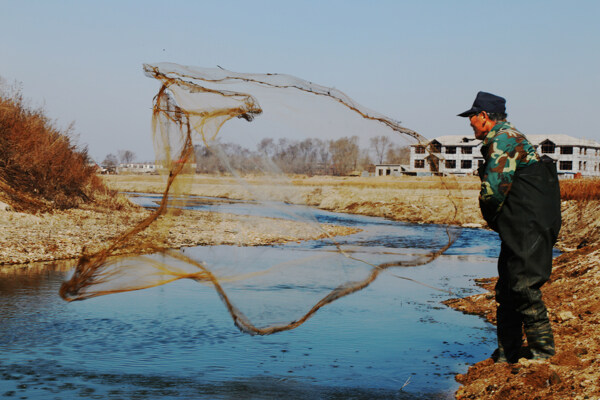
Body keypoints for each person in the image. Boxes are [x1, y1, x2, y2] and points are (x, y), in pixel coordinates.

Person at [458, 91, 562, 363]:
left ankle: (543, 356)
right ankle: (508, 354)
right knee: (507, 289)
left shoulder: (503, 139)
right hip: (521, 224)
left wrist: (492, 220)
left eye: (472, 117)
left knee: (524, 288)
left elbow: (493, 191)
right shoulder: (504, 138)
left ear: (483, 116)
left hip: (529, 224)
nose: (469, 122)